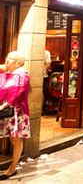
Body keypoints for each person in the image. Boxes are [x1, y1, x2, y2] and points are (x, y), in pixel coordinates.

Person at [0, 51, 30, 180]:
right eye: (7, 57)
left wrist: (3, 106)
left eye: (10, 59)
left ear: (17, 62)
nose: (7, 60)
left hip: (17, 112)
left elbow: (19, 93)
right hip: (5, 111)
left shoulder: (22, 75)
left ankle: (12, 168)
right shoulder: (7, 73)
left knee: (15, 139)